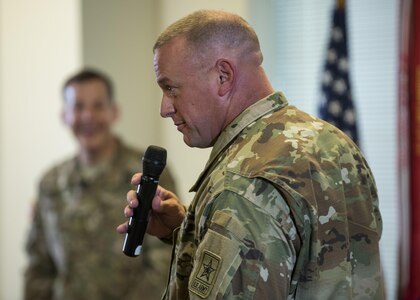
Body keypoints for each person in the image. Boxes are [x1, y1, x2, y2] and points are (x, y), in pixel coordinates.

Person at [116, 9, 385, 299]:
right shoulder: (332, 143)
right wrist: (186, 229)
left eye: (171, 88)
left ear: (223, 76)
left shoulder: (241, 185)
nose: (165, 108)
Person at [24, 69, 176, 300]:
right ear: (64, 115)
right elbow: (38, 266)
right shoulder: (50, 183)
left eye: (98, 106)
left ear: (114, 112)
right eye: (78, 107)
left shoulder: (147, 175)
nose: (88, 116)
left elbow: (165, 259)